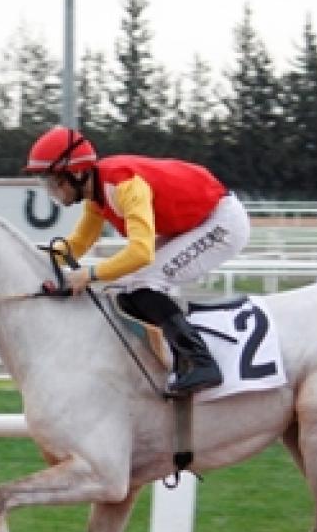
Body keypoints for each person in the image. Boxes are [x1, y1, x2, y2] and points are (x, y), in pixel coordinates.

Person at [24, 125, 250, 397]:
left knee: (143, 281)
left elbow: (141, 252)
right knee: (124, 289)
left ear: (76, 173)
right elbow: (78, 244)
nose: (51, 190)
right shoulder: (96, 197)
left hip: (221, 222)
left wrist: (90, 275)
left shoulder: (124, 185)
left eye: (54, 181)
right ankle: (169, 357)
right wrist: (34, 259)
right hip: (192, 224)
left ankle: (201, 362)